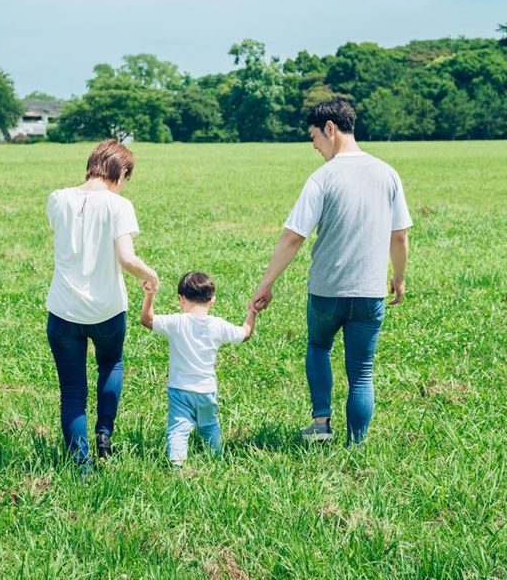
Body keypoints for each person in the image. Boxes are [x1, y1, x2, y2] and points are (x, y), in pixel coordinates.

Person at [247, 100, 412, 446]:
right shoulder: (388, 173)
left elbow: (293, 237)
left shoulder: (322, 178)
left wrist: (266, 284)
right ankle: (357, 445)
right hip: (370, 292)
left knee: (319, 346)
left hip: (327, 291)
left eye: (314, 139)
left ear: (331, 129)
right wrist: (398, 278)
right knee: (362, 372)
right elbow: (400, 236)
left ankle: (321, 423)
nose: (316, 148)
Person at [45, 140, 158, 468]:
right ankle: (104, 434)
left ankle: (82, 465)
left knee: (72, 391)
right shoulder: (118, 206)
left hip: (63, 310)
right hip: (107, 310)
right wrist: (149, 274)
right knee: (111, 365)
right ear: (121, 172)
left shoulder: (57, 199)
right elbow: (126, 258)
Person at [140, 271, 255, 466]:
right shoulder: (218, 325)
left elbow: (147, 320)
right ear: (212, 300)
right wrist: (252, 311)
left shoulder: (176, 322)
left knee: (178, 428)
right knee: (210, 426)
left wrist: (149, 295)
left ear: (181, 299)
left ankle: (177, 465)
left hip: (180, 389)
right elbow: (245, 334)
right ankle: (217, 459)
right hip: (207, 391)